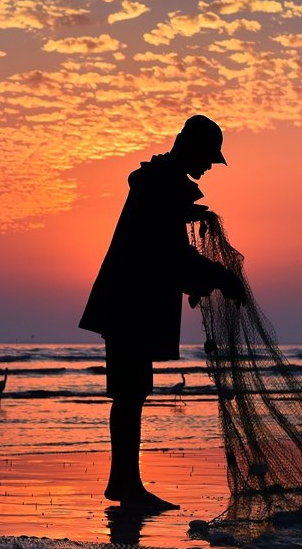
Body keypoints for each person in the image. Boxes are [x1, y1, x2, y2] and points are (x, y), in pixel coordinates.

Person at [79, 114, 244, 511]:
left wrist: (196, 279)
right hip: (127, 306)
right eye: (207, 156)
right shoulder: (160, 187)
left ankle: (125, 483)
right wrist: (217, 275)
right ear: (189, 146)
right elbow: (167, 253)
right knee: (130, 393)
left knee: (132, 393)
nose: (207, 166)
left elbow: (163, 252)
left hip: (129, 304)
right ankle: (125, 485)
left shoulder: (161, 185)